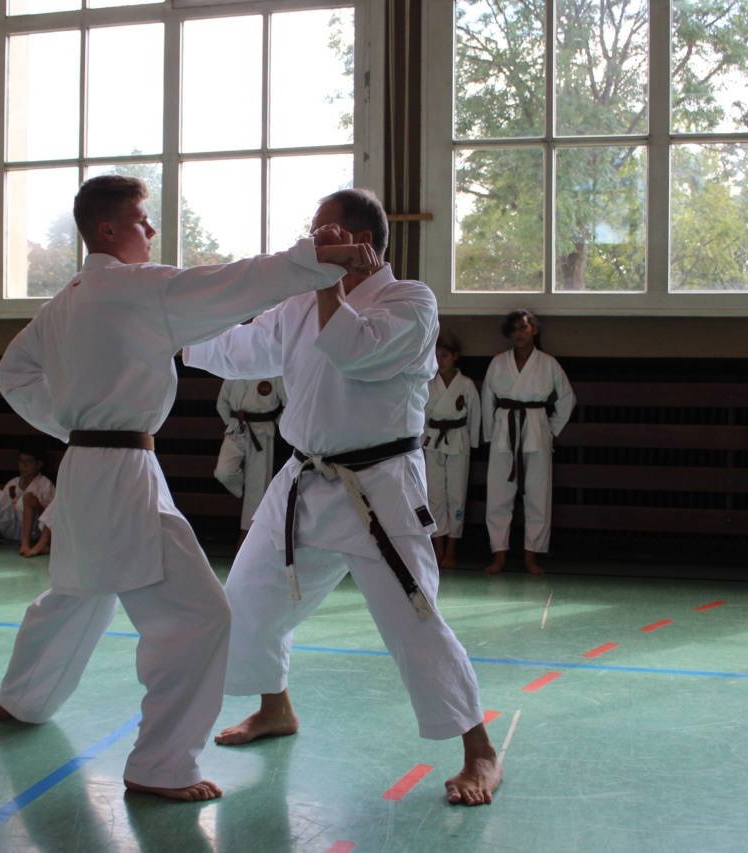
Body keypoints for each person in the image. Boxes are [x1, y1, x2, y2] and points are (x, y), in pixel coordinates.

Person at [0, 174, 380, 804]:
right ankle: (161, 763)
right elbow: (235, 281)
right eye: (142, 220)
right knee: (200, 618)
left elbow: (13, 373)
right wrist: (314, 259)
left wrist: (73, 423)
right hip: (121, 472)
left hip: (83, 465)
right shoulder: (137, 287)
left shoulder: (64, 301)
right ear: (108, 229)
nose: (151, 230)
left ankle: (21, 699)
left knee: (78, 592)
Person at [183, 188, 502, 807]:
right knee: (247, 597)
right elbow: (243, 349)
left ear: (363, 242)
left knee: (414, 622)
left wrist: (328, 282)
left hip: (379, 489)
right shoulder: (303, 302)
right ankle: (275, 707)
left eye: (323, 234)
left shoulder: (411, 302)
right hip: (303, 482)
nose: (312, 244)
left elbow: (354, 351)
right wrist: (179, 336)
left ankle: (479, 750)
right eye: (312, 234)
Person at [481, 310, 575, 576]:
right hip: (504, 432)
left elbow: (567, 398)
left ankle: (531, 556)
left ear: (534, 329)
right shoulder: (499, 362)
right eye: (513, 329)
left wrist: (550, 430)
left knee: (537, 496)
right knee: (498, 496)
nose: (518, 334)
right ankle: (499, 555)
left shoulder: (548, 363)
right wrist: (490, 434)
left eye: (522, 327)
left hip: (536, 429)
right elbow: (487, 398)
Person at [423, 334, 480, 570]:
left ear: (455, 356)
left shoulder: (465, 384)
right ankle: (438, 548)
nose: (440, 361)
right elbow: (422, 417)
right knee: (435, 494)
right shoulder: (428, 383)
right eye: (436, 357)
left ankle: (451, 549)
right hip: (433, 441)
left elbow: (475, 415)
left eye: (445, 355)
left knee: (456, 494)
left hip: (458, 441)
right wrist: (420, 442)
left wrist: (472, 443)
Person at [214, 376, 287, 553]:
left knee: (257, 486)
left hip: (262, 431)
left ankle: (248, 536)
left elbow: (289, 403)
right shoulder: (234, 372)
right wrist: (232, 422)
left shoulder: (273, 373)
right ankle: (243, 490)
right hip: (236, 429)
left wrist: (278, 423)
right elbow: (222, 403)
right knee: (224, 472)